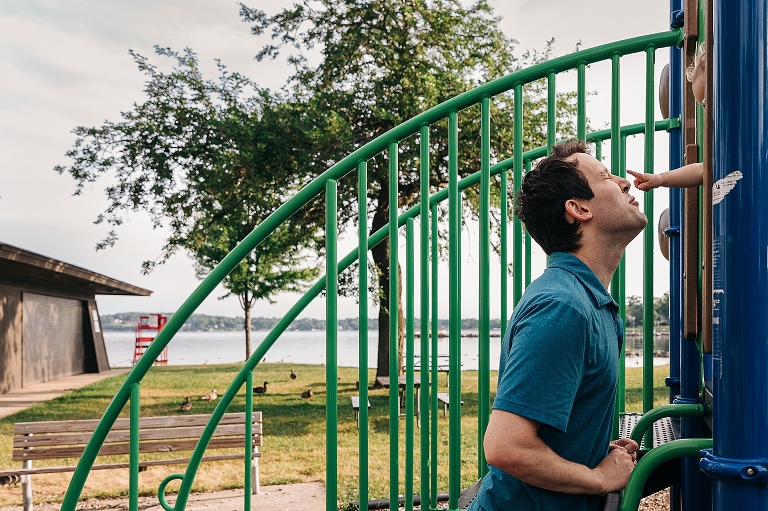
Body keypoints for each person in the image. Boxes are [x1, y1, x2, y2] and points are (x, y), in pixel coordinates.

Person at [468, 140, 643, 511]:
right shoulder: (563, 307)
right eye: (605, 176)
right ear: (578, 209)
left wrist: (593, 448)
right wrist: (598, 478)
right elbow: (506, 445)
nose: (624, 182)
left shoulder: (587, 300)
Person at [628, 45, 706, 190]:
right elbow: (701, 170)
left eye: (708, 102)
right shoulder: (719, 144)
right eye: (704, 107)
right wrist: (660, 179)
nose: (708, 113)